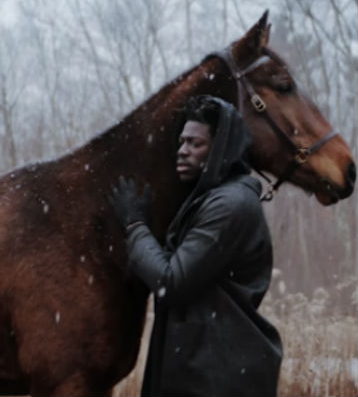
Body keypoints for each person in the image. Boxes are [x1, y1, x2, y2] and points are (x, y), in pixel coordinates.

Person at [108, 95, 282, 396]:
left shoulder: (230, 205)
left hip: (219, 376)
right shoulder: (213, 199)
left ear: (220, 151)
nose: (182, 151)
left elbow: (169, 281)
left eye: (194, 144)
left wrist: (135, 226)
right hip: (208, 367)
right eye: (181, 142)